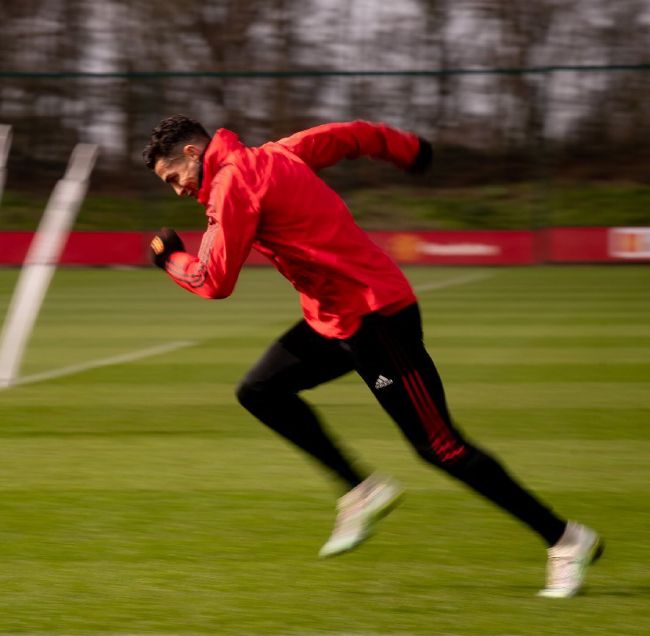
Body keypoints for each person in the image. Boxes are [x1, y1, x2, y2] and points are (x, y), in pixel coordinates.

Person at [142, 115, 603, 597]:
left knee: (441, 448)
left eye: (173, 178)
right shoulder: (277, 152)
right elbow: (347, 135)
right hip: (334, 319)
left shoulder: (232, 185)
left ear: (194, 153)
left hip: (377, 319)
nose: (177, 191)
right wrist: (406, 148)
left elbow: (214, 281)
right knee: (260, 391)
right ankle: (361, 491)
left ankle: (566, 539)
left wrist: (168, 258)